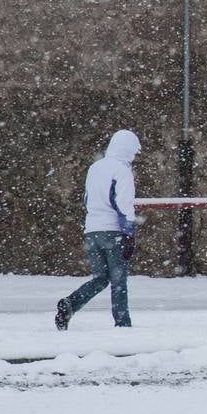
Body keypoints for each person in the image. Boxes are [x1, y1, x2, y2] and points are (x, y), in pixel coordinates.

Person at [55, 129, 141, 329]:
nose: (134, 157)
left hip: (92, 230)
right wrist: (129, 234)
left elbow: (87, 200)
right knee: (118, 282)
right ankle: (122, 323)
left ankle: (71, 303)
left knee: (100, 278)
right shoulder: (121, 171)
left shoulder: (95, 168)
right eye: (134, 152)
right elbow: (124, 204)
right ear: (127, 149)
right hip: (113, 232)